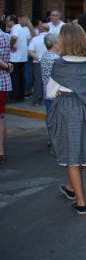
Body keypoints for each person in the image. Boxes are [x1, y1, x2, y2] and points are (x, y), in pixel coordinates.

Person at [46, 24, 86, 215]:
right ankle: (71, 188)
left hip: (67, 109)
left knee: (71, 158)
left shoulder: (59, 64)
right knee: (77, 153)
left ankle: (81, 203)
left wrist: (59, 91)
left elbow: (50, 92)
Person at [6, 15, 30, 102]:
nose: (6, 22)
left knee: (14, 78)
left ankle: (14, 97)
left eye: (7, 20)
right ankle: (21, 96)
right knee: (21, 77)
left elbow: (14, 37)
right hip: (23, 57)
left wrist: (10, 45)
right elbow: (28, 40)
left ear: (12, 21)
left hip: (15, 58)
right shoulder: (24, 28)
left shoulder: (15, 27)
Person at [0, 20, 13, 164]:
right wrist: (8, 65)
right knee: (1, 118)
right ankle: (1, 151)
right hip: (3, 82)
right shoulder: (6, 37)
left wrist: (5, 66)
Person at [28, 23, 48, 106]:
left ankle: (37, 101)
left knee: (38, 82)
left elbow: (30, 51)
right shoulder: (53, 38)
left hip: (38, 63)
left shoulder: (35, 39)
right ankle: (48, 99)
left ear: (40, 29)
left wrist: (39, 59)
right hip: (51, 62)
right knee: (49, 82)